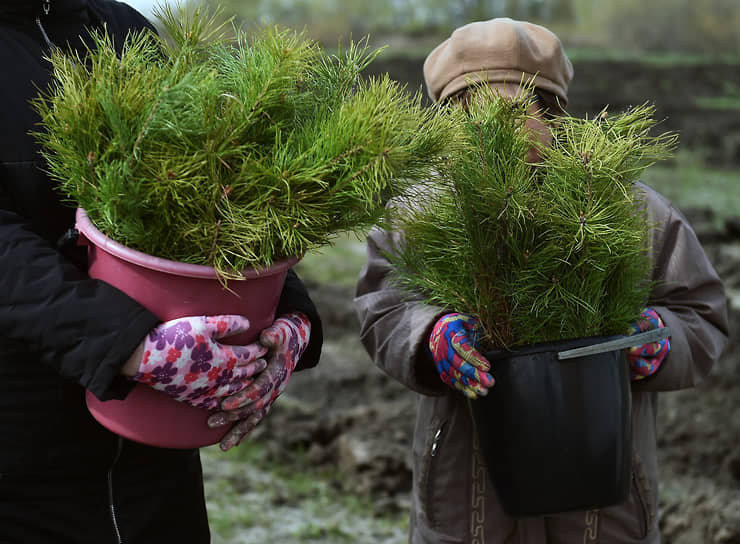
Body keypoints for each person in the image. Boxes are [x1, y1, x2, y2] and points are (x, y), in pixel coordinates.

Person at [354, 18, 729, 544]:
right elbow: (384, 307)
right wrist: (432, 334)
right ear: (448, 121)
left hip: (606, 510)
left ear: (550, 114)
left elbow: (702, 312)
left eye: (515, 111)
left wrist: (657, 338)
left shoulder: (632, 210)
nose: (496, 131)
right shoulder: (421, 214)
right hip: (469, 504)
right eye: (472, 115)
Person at [0, 1, 322, 542]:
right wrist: (129, 345)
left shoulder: (119, 29)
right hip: (22, 468)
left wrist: (289, 316)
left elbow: (214, 193)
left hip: (157, 465)